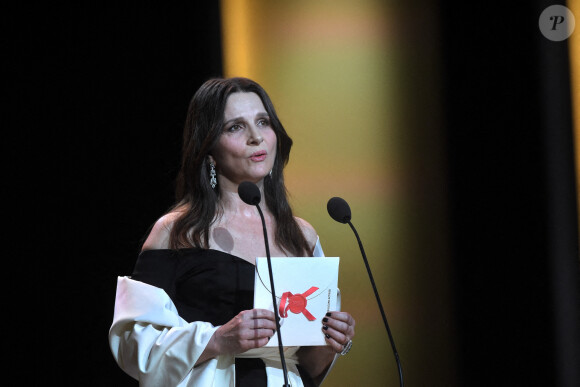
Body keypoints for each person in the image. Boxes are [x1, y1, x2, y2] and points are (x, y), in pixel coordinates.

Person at [109, 77, 356, 386]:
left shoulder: (302, 237)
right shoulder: (175, 232)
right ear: (208, 148)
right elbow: (135, 343)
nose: (256, 137)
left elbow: (307, 365)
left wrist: (331, 341)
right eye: (235, 127)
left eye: (263, 122)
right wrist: (218, 339)